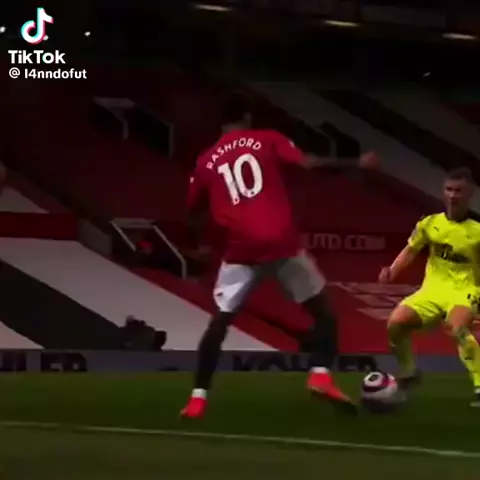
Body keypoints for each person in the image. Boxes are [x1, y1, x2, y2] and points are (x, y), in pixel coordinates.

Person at [181, 93, 378, 419]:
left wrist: (198, 243)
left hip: (241, 249)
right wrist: (356, 163)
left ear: (222, 121)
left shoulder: (205, 161)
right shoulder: (266, 139)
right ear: (247, 116)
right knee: (324, 314)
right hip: (281, 242)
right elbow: (309, 163)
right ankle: (320, 376)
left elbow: (192, 212)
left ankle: (197, 399)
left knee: (220, 323)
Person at [379, 167, 480, 407]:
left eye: (458, 191)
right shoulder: (430, 223)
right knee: (395, 324)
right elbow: (411, 250)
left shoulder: (477, 232)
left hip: (465, 290)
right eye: (449, 190)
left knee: (458, 328)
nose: (453, 195)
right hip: (432, 290)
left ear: (469, 193)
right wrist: (392, 271)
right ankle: (409, 372)